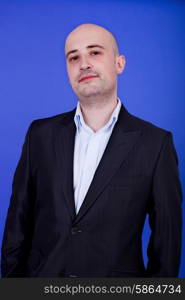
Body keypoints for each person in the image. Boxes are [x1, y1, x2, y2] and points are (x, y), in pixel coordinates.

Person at [1, 23, 182, 278]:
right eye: (73, 57)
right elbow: (17, 223)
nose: (83, 63)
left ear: (119, 64)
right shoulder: (39, 135)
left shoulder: (155, 144)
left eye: (94, 52)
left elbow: (168, 243)